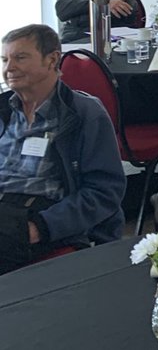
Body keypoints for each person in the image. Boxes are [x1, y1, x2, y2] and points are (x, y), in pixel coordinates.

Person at [0, 25, 125, 274]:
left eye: (20, 57)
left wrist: (41, 227)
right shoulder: (4, 109)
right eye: (4, 59)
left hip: (42, 214)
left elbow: (104, 192)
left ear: (52, 60)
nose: (8, 68)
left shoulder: (83, 113)